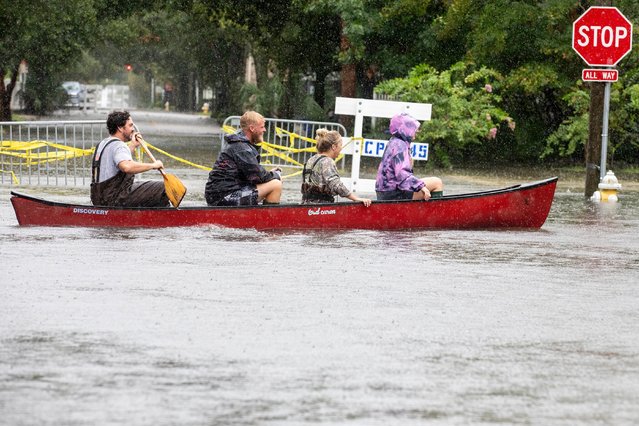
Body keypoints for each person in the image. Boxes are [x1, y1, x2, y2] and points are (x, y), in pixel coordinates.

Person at [90, 111, 169, 207]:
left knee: (141, 186)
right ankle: (164, 218)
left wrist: (132, 146)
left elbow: (118, 162)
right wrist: (153, 165)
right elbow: (126, 167)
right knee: (163, 187)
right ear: (120, 128)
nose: (133, 129)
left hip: (99, 198)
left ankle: (140, 216)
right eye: (130, 125)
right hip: (115, 199)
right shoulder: (119, 146)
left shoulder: (103, 144)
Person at [205, 111, 282, 206]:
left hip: (219, 195)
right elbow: (258, 176)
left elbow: (254, 175)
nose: (265, 130)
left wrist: (271, 174)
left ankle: (259, 216)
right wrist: (276, 175)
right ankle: (269, 219)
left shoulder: (240, 142)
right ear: (252, 128)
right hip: (225, 197)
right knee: (276, 185)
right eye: (262, 127)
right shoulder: (241, 147)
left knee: (273, 180)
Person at [375, 112, 443, 200]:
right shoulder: (400, 145)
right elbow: (401, 174)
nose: (415, 133)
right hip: (393, 193)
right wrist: (422, 187)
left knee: (428, 183)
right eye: (412, 129)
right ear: (405, 130)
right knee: (437, 182)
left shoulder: (394, 141)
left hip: (385, 191)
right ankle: (435, 212)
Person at [301, 129, 371, 207]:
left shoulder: (311, 159)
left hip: (306, 205)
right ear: (334, 147)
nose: (341, 149)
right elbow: (336, 185)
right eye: (340, 145)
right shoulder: (327, 161)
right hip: (321, 207)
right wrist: (356, 198)